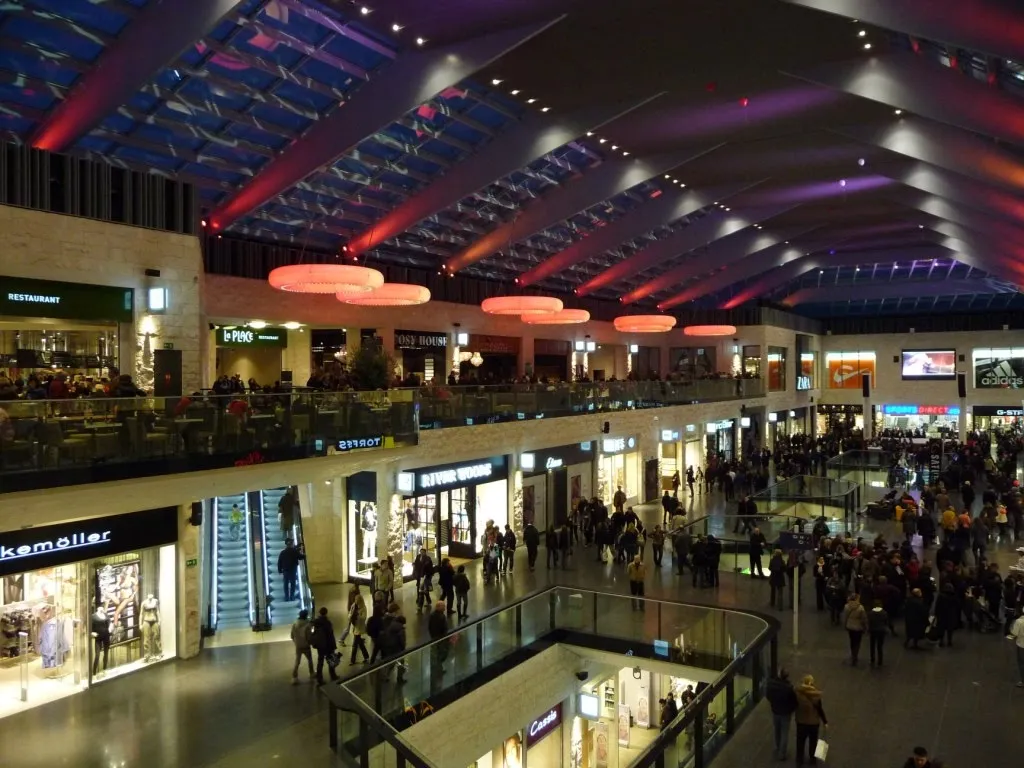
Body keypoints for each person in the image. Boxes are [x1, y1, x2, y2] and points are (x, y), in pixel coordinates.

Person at [794, 675, 827, 766]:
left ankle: (799, 760)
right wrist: (825, 721)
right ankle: (812, 759)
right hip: (813, 723)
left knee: (800, 742)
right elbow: (820, 710)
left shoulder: (798, 694)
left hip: (801, 722)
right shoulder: (816, 696)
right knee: (813, 742)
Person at [765, 668, 798, 761]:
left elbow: (768, 696)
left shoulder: (771, 685)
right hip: (785, 713)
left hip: (775, 711)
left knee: (777, 730)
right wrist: (791, 710)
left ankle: (778, 746)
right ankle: (782, 753)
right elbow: (794, 702)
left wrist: (773, 704)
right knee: (784, 732)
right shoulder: (789, 688)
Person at [380, 603, 407, 684]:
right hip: (397, 647)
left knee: (391, 661)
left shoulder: (388, 620)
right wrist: (403, 647)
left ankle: (386, 675)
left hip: (389, 645)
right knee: (401, 662)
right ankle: (400, 678)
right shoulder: (397, 625)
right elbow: (401, 639)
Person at [310, 607, 338, 685]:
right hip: (328, 645)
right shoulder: (327, 622)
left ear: (319, 613)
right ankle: (333, 676)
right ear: (326, 613)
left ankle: (319, 679)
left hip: (320, 645)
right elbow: (330, 634)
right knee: (331, 661)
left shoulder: (315, 622)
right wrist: (333, 645)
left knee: (320, 661)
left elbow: (312, 632)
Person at [427, 600, 450, 689]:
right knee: (439, 654)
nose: (445, 607)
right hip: (439, 639)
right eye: (443, 606)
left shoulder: (437, 615)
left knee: (438, 655)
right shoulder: (438, 617)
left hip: (437, 638)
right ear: (438, 607)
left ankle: (439, 668)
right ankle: (438, 670)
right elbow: (438, 628)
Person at [842, 592, 868, 666]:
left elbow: (845, 617)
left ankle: (853, 654)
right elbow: (864, 618)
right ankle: (855, 655)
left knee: (852, 640)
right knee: (857, 642)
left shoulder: (847, 606)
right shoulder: (861, 608)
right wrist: (865, 627)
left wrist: (845, 625)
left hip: (850, 626)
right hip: (858, 627)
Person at [289, 609, 314, 684]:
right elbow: (309, 636)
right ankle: (311, 673)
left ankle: (294, 677)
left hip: (298, 646)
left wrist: (296, 642)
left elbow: (291, 635)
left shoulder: (295, 624)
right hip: (306, 646)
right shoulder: (307, 625)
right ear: (306, 616)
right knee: (310, 660)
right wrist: (310, 642)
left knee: (297, 661)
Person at [348, 591, 370, 665]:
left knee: (354, 645)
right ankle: (366, 656)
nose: (356, 601)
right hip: (354, 627)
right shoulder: (353, 606)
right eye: (355, 599)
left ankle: (352, 660)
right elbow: (349, 613)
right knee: (360, 643)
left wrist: (357, 616)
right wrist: (350, 616)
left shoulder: (363, 608)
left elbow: (364, 618)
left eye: (357, 600)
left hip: (359, 628)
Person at [867, 599, 889, 668]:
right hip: (881, 630)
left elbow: (869, 622)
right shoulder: (884, 613)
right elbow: (886, 622)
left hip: (873, 630)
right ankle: (880, 660)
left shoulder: (870, 613)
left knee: (872, 646)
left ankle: (872, 659)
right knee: (880, 646)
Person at [1009, 610, 1024, 688]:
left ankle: (1023, 681)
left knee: (1022, 663)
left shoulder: (1019, 621)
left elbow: (1014, 633)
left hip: (1021, 645)